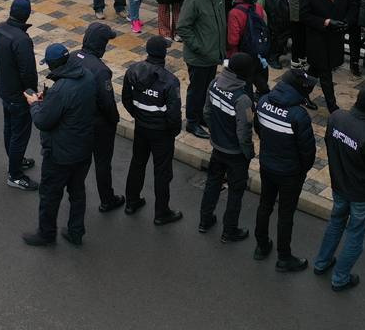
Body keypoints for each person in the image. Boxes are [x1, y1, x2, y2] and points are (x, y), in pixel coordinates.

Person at [313, 85, 365, 289]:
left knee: (336, 222)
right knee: (355, 234)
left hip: (339, 186)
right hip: (362, 195)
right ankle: (340, 278)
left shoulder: (336, 118)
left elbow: (329, 144)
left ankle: (321, 262)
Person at [22, 44, 98, 247]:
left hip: (60, 153)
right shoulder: (88, 77)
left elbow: (43, 121)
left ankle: (46, 234)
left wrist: (35, 104)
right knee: (77, 192)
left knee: (49, 194)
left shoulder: (61, 89)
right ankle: (76, 232)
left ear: (53, 65)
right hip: (83, 149)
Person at [252, 68, 317, 271]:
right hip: (290, 173)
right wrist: (301, 171)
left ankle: (261, 246)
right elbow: (307, 152)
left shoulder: (262, 102)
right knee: (285, 214)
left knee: (265, 205)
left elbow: (258, 129)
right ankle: (284, 257)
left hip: (267, 165)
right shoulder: (299, 115)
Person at [122, 35, 183, 224]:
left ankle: (131, 202)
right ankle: (161, 213)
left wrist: (139, 116)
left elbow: (126, 99)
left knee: (137, 163)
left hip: (141, 127)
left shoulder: (132, 71)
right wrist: (171, 132)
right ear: (164, 54)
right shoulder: (170, 81)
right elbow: (173, 115)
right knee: (162, 172)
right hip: (161, 133)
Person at [198, 52, 257, 241]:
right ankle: (229, 230)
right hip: (235, 154)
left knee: (212, 183)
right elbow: (244, 132)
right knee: (235, 191)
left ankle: (205, 220)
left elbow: (206, 112)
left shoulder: (214, 83)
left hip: (217, 147)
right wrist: (248, 153)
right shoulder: (243, 100)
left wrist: (216, 135)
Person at [74, 23, 123, 212]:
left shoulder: (72, 58)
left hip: (77, 120)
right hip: (98, 125)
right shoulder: (100, 70)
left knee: (78, 162)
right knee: (102, 163)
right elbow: (108, 103)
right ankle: (107, 199)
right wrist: (114, 120)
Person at [0, 0, 39, 190]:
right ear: (26, 15)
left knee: (9, 128)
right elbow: (28, 72)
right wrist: (32, 94)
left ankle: (15, 160)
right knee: (20, 134)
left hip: (5, 89)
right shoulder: (21, 40)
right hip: (19, 96)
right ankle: (15, 174)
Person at [178, 0, 227, 139]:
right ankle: (192, 122)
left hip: (213, 55)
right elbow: (183, 27)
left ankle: (201, 117)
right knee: (197, 90)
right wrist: (200, 47)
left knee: (207, 88)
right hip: (199, 57)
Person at [301, 0, 350, 111]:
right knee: (325, 73)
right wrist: (326, 22)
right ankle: (332, 107)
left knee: (315, 69)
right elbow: (304, 16)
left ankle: (302, 92)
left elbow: (352, 4)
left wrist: (348, 21)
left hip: (335, 36)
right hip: (318, 38)